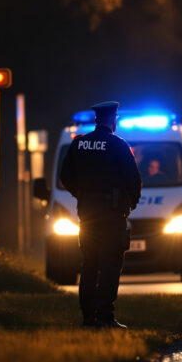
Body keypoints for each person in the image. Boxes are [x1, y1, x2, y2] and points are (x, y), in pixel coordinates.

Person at [59, 101, 142, 329]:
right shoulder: (118, 145)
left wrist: (81, 195)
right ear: (113, 120)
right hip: (113, 214)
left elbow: (65, 176)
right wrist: (129, 205)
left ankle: (88, 317)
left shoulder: (79, 144)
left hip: (87, 213)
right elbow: (133, 181)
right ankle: (105, 316)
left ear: (97, 119)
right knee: (110, 264)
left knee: (89, 264)